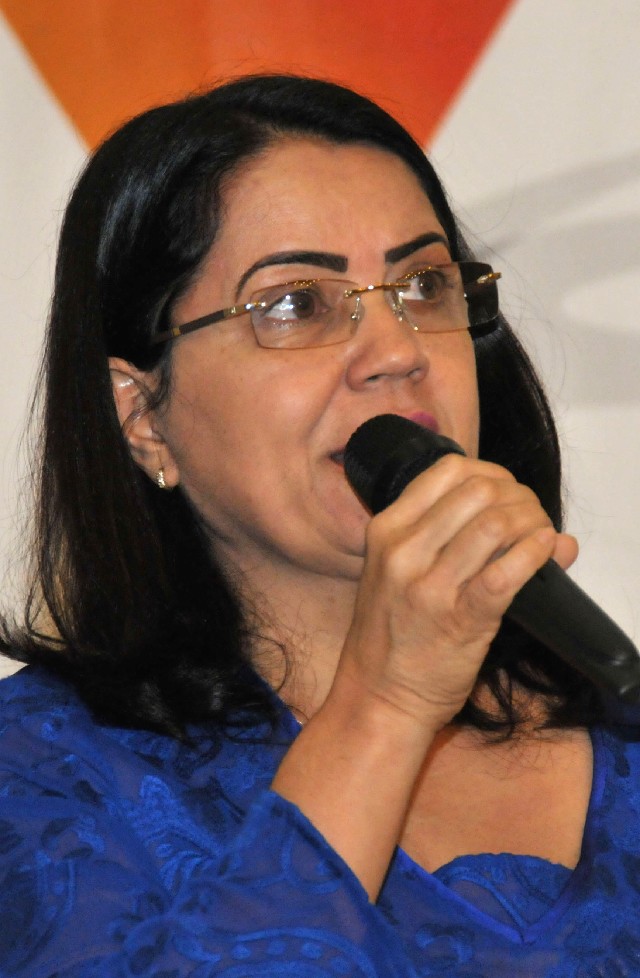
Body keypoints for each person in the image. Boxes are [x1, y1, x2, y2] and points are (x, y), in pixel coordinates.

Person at [0, 74, 638, 978]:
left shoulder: (622, 727)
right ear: (143, 416)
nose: (398, 352)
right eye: (297, 304)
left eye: (424, 285)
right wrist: (387, 703)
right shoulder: (41, 777)